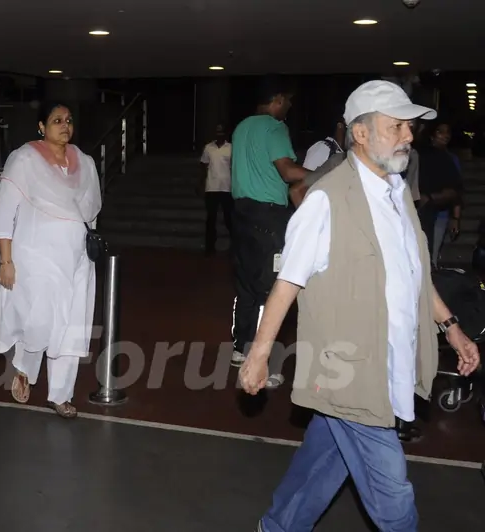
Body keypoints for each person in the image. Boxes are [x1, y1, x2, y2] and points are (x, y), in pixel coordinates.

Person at [240, 80, 480, 531]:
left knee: (325, 458)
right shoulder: (326, 201)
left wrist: (451, 326)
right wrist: (258, 354)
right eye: (396, 127)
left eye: (409, 127)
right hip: (350, 371)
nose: (408, 136)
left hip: (390, 361)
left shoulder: (398, 194)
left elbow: (415, 275)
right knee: (393, 496)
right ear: (361, 133)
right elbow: (287, 282)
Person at [0, 103, 101, 419]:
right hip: (36, 257)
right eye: (56, 120)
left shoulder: (85, 163)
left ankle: (60, 396)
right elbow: (4, 211)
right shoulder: (25, 159)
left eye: (69, 120)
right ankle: (24, 366)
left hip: (76, 258)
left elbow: (91, 210)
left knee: (71, 323)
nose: (65, 125)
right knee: (39, 319)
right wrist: (6, 261)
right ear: (41, 126)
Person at [229, 76, 308, 389]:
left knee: (246, 284)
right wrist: (326, 173)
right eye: (287, 100)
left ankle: (240, 348)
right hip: (269, 217)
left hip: (240, 213)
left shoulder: (241, 127)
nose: (289, 106)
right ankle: (266, 361)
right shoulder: (275, 128)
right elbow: (288, 172)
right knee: (273, 288)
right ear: (277, 100)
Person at [417, 121, 464, 267]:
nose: (445, 136)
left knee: (431, 256)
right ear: (431, 135)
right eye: (440, 132)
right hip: (421, 210)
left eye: (447, 132)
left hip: (441, 212)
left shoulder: (450, 159)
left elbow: (456, 189)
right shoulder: (420, 155)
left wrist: (455, 217)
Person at [200, 124, 233, 255]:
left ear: (225, 133)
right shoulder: (208, 148)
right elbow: (203, 165)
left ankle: (235, 246)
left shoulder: (231, 148)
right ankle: (209, 247)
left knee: (229, 218)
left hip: (226, 187)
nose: (219, 134)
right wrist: (201, 183)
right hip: (211, 187)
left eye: (221, 132)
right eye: (217, 131)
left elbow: (234, 167)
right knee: (211, 219)